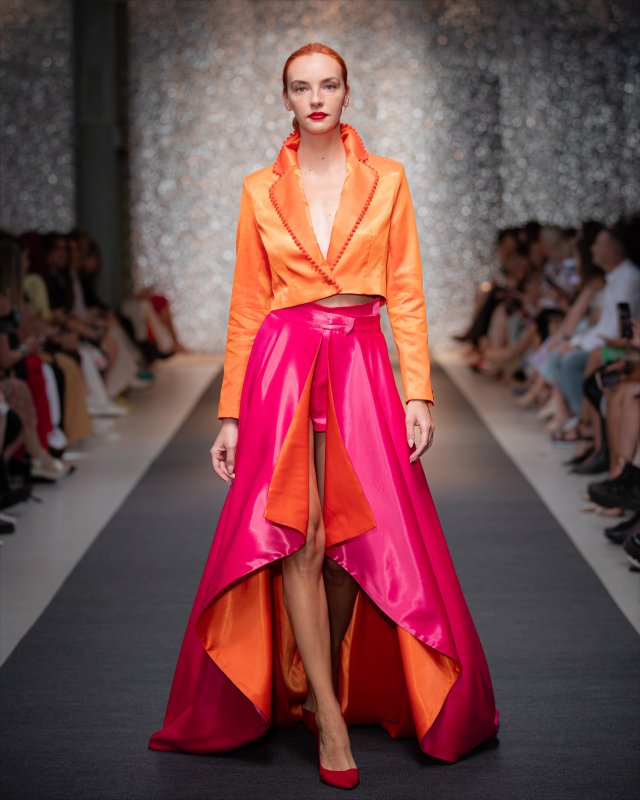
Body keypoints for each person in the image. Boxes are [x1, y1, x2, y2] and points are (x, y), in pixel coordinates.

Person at [148, 43, 499, 788]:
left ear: (346, 92)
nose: (316, 98)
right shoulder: (258, 189)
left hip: (362, 363)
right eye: (301, 87)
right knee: (300, 537)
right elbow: (248, 305)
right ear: (286, 98)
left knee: (354, 538)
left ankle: (315, 679)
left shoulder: (388, 178)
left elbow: (406, 289)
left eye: (328, 84)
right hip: (283, 364)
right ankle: (330, 720)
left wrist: (419, 392)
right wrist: (230, 414)